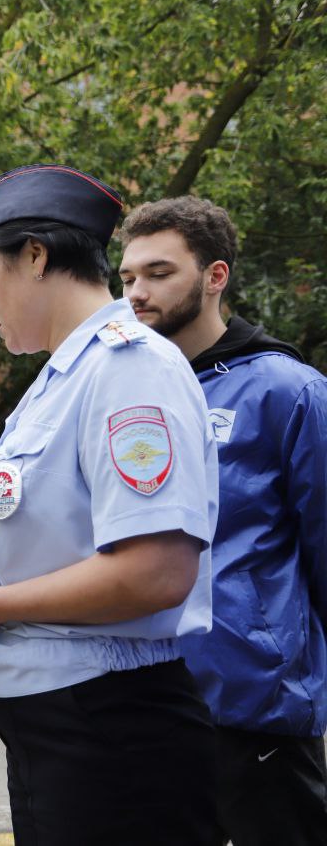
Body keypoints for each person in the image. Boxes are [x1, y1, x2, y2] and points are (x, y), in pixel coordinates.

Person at [0, 164, 220, 845]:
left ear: (36, 256)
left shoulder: (129, 368)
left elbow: (156, 571)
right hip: (66, 738)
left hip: (114, 738)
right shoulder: (63, 378)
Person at [119, 196, 327, 845]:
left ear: (216, 277)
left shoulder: (287, 391)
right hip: (143, 705)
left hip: (253, 708)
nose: (137, 293)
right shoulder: (126, 394)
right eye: (126, 278)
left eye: (158, 273)